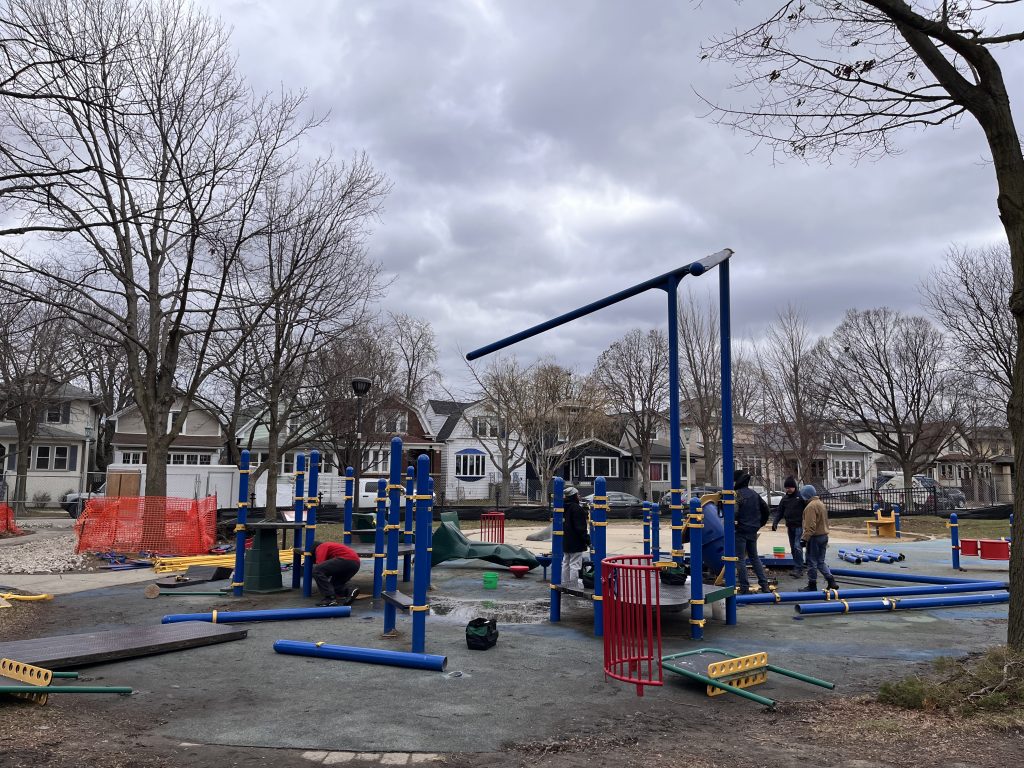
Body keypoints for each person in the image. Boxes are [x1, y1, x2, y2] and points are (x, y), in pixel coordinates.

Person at [733, 469, 771, 595]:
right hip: (752, 530)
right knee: (754, 557)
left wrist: (734, 522)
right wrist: (759, 524)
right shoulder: (754, 494)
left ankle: (744, 588)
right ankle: (764, 585)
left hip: (741, 530)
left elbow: (734, 512)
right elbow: (766, 509)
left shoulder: (737, 494)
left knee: (740, 559)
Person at [798, 485, 839, 593]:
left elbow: (810, 526)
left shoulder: (810, 506)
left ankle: (812, 585)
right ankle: (831, 580)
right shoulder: (821, 504)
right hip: (824, 536)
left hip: (814, 537)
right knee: (820, 561)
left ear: (806, 495)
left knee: (812, 562)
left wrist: (804, 539)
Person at [771, 476, 806, 579]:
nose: (788, 489)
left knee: (797, 546)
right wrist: (775, 523)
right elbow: (779, 512)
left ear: (794, 487)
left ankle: (799, 568)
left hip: (799, 526)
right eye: (786, 488)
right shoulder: (785, 499)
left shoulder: (800, 497)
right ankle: (797, 566)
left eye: (790, 487)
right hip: (790, 526)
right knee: (793, 548)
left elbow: (808, 510)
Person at [312, 539, 361, 607]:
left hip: (345, 560)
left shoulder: (321, 547)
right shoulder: (332, 547)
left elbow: (319, 565)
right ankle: (350, 591)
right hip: (355, 564)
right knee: (334, 587)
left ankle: (329, 599)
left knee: (317, 570)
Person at [562, 485, 589, 589]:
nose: (579, 496)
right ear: (574, 496)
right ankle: (573, 587)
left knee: (566, 562)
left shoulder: (563, 507)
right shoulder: (577, 509)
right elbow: (580, 528)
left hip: (566, 540)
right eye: (577, 494)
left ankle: (565, 584)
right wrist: (586, 539)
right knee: (575, 564)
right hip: (576, 541)